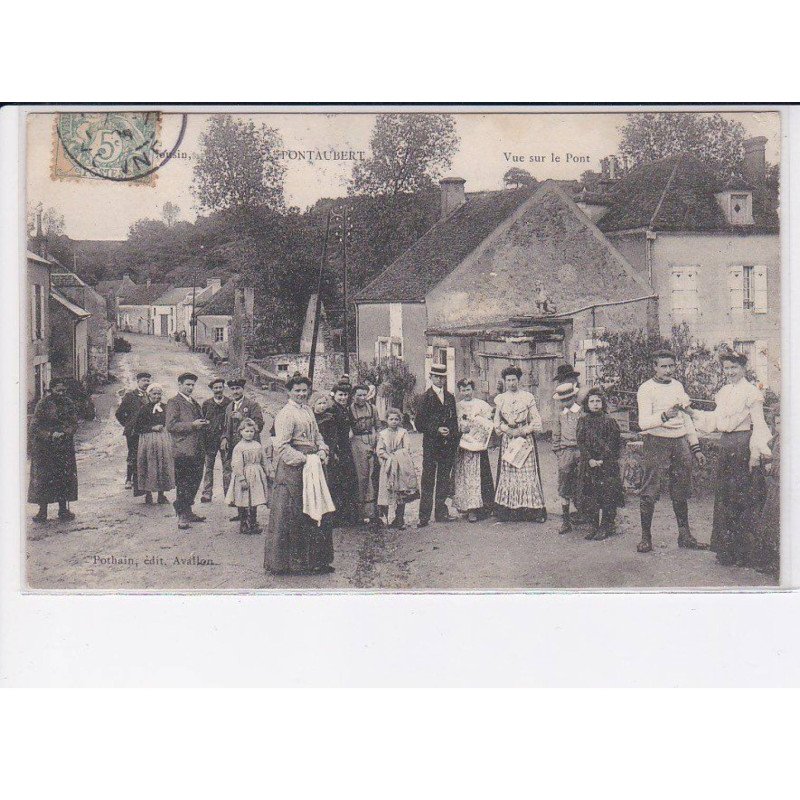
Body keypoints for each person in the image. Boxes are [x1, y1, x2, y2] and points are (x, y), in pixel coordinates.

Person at [687, 349, 772, 567]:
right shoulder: (723, 392)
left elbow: (759, 424)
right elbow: (715, 421)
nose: (730, 372)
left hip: (743, 445)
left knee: (742, 497)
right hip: (726, 446)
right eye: (726, 368)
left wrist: (756, 454)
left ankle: (744, 552)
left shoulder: (752, 392)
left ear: (744, 368)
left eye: (734, 367)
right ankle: (726, 550)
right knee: (725, 496)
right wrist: (692, 413)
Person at [636, 350, 708, 553]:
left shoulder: (677, 386)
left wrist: (696, 448)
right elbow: (643, 423)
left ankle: (684, 536)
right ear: (655, 367)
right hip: (656, 441)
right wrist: (664, 416)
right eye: (663, 366)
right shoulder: (646, 389)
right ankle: (645, 538)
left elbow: (686, 418)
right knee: (650, 490)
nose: (668, 370)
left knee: (681, 489)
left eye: (671, 366)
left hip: (679, 442)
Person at [264, 374, 334, 575]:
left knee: (317, 509)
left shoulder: (308, 411)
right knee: (293, 513)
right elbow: (282, 446)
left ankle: (316, 561)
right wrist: (304, 459)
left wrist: (321, 450)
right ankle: (289, 563)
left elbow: (317, 436)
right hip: (294, 470)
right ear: (289, 392)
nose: (301, 394)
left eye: (304, 390)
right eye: (297, 391)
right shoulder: (286, 414)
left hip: (313, 465)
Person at [493, 365, 546, 522]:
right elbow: (496, 422)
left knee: (527, 473)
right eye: (508, 380)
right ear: (505, 381)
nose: (511, 383)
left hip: (524, 439)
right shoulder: (501, 399)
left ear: (519, 380)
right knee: (510, 473)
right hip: (508, 439)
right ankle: (509, 511)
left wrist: (523, 431)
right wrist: (506, 429)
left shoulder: (527, 397)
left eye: (514, 380)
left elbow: (536, 420)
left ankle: (533, 510)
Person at [28, 376, 78, 522]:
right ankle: (42, 512)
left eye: (63, 390)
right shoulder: (42, 404)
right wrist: (50, 434)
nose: (61, 393)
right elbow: (34, 427)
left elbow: (74, 423)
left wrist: (65, 432)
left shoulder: (68, 403)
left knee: (64, 478)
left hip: (64, 448)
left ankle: (63, 510)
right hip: (45, 449)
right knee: (44, 479)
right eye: (58, 390)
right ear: (51, 390)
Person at [576, 388, 624, 541]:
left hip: (607, 464)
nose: (595, 404)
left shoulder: (610, 421)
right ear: (587, 404)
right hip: (589, 464)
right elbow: (581, 442)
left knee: (608, 495)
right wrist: (589, 459)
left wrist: (602, 459)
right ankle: (593, 526)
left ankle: (606, 525)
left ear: (602, 403)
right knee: (591, 495)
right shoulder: (582, 421)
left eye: (598, 401)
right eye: (592, 401)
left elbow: (613, 443)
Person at [415, 364, 459, 527]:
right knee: (428, 479)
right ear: (431, 377)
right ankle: (424, 516)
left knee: (443, 479)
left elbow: (454, 420)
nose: (440, 380)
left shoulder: (449, 397)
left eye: (442, 377)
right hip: (431, 445)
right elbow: (419, 424)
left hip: (446, 445)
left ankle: (441, 512)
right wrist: (436, 429)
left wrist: (451, 432)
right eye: (436, 377)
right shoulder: (424, 398)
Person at [165, 372, 210, 530]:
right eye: (187, 385)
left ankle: (188, 510)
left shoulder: (194, 402)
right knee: (184, 482)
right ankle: (181, 514)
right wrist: (192, 425)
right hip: (182, 450)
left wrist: (203, 423)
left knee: (195, 481)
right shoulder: (174, 402)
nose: (190, 388)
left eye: (192, 385)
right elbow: (170, 426)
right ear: (180, 384)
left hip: (197, 449)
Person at [220, 378, 266, 522]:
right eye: (232, 389)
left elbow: (259, 425)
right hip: (235, 448)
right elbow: (226, 426)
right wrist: (224, 438)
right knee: (237, 480)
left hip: (250, 449)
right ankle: (240, 513)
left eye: (238, 388)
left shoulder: (252, 405)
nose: (235, 392)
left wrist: (243, 417)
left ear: (243, 389)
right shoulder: (229, 407)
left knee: (251, 482)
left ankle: (251, 516)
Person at [453, 378, 495, 523]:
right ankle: (468, 507)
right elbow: (453, 424)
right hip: (463, 446)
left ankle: (480, 508)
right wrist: (460, 429)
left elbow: (489, 423)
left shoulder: (481, 405)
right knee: (465, 476)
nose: (466, 393)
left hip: (478, 446)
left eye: (468, 389)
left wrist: (481, 427)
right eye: (463, 390)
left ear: (473, 390)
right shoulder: (457, 406)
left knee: (479, 476)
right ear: (460, 391)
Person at [319, 379, 358, 526]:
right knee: (337, 483)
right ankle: (337, 518)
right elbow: (330, 434)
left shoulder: (345, 409)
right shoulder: (332, 411)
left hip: (345, 448)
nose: (343, 398)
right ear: (334, 395)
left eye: (346, 395)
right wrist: (333, 451)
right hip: (336, 450)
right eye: (340, 395)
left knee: (347, 481)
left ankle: (347, 516)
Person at [225, 418, 271, 535]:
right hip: (245, 475)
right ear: (241, 431)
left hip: (256, 475)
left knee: (254, 499)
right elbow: (236, 464)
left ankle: (253, 522)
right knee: (244, 499)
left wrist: (268, 471)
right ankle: (244, 524)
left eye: (251, 431)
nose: (249, 434)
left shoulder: (257, 445)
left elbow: (264, 460)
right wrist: (241, 478)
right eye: (246, 431)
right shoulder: (239, 447)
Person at [132, 383, 174, 505]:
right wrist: (152, 428)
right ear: (149, 394)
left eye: (159, 394)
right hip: (148, 440)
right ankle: (148, 494)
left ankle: (161, 495)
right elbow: (138, 427)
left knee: (163, 464)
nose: (157, 396)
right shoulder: (144, 409)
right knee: (149, 465)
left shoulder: (166, 408)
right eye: (154, 393)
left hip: (163, 439)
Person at [376, 408, 419, 530]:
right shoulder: (383, 434)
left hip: (401, 465)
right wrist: (388, 456)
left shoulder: (403, 432)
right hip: (388, 465)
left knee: (401, 491)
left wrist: (397, 455)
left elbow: (407, 447)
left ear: (400, 420)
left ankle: (400, 519)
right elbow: (380, 450)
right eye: (391, 419)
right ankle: (388, 517)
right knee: (388, 490)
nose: (394, 421)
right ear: (387, 420)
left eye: (396, 419)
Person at [751, 412, 780, 578]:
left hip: (783, 485)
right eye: (777, 423)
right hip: (775, 486)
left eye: (783, 422)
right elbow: (771, 455)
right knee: (769, 523)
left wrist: (773, 467)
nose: (780, 426)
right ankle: (770, 562)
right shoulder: (776, 439)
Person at [552, 381, 583, 534]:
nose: (565, 402)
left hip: (581, 452)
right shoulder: (560, 415)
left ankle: (585, 515)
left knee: (582, 482)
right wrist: (559, 453)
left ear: (574, 397)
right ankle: (565, 521)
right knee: (564, 485)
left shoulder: (582, 413)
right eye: (562, 400)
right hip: (565, 453)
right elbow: (555, 436)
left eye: (568, 399)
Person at [349, 383, 381, 525]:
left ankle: (373, 513)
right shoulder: (350, 410)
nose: (362, 398)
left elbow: (378, 427)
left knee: (373, 476)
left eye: (364, 395)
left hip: (372, 440)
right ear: (353, 396)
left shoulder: (372, 409)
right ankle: (360, 514)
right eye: (359, 395)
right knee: (361, 477)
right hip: (357, 442)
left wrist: (378, 443)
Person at [115, 371, 151, 491]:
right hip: (133, 431)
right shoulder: (130, 395)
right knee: (133, 455)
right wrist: (128, 424)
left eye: (148, 380)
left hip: (146, 431)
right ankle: (129, 479)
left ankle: (141, 480)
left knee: (145, 455)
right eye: (144, 380)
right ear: (138, 382)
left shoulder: (149, 396)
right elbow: (119, 413)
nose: (146, 383)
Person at [200, 378, 231, 503]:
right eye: (216, 388)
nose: (218, 390)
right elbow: (202, 421)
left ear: (224, 388)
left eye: (220, 387)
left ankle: (229, 494)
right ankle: (207, 493)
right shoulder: (207, 404)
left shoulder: (229, 403)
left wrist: (226, 437)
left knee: (227, 467)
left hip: (225, 440)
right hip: (210, 441)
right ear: (212, 389)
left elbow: (231, 424)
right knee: (208, 468)